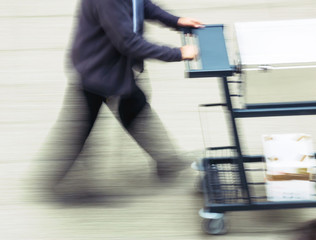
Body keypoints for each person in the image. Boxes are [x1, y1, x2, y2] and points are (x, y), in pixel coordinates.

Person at [33, 0, 202, 202]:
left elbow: (141, 5)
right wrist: (178, 53)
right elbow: (128, 42)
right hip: (98, 71)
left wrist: (176, 21)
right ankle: (52, 181)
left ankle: (166, 162)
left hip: (111, 68)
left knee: (134, 108)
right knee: (80, 129)